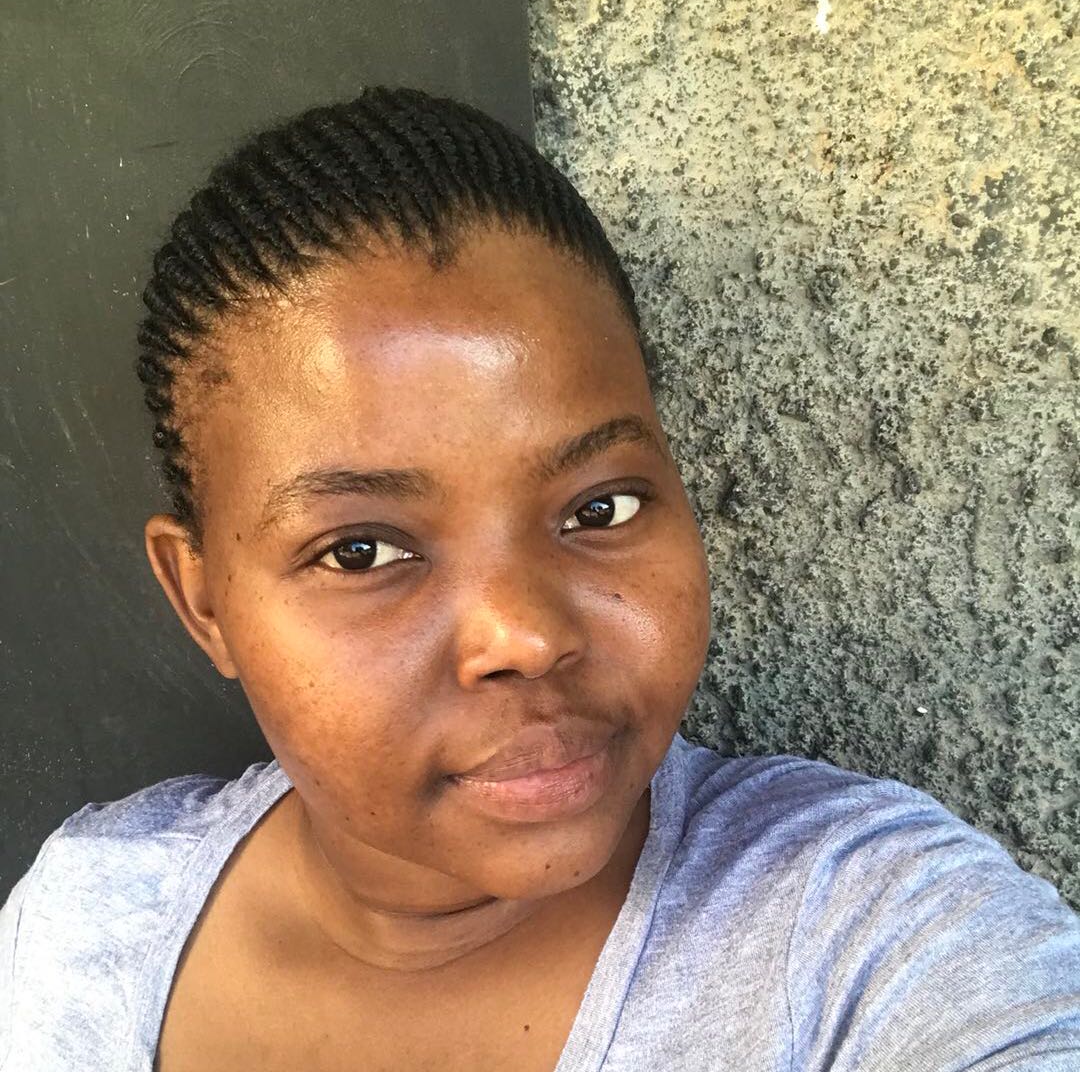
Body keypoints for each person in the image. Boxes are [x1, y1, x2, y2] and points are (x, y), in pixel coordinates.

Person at [1, 84, 1078, 1072]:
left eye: (599, 510)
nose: (524, 635)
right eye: (361, 551)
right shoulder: (84, 929)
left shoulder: (860, 933)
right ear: (203, 602)